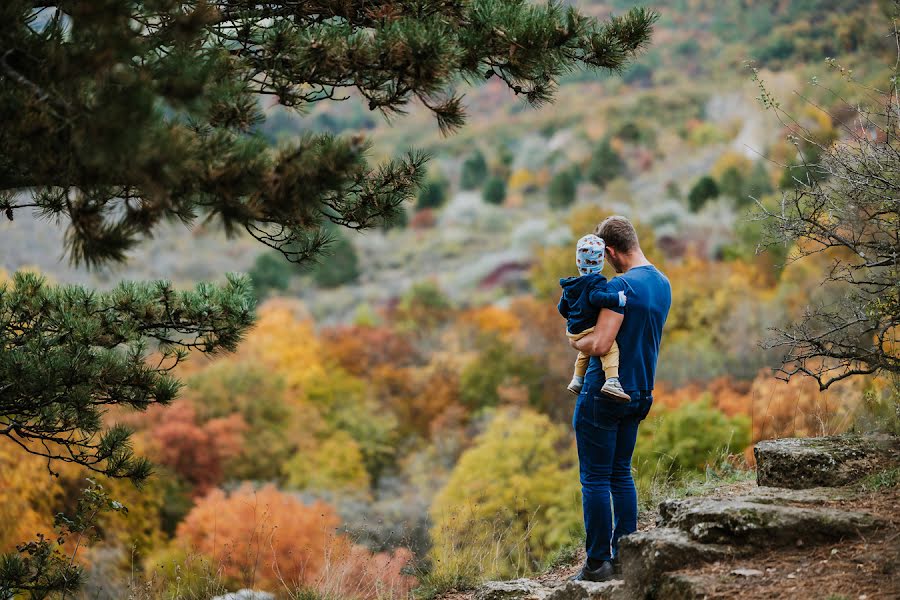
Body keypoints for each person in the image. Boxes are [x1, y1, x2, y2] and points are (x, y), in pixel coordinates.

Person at [567, 216, 671, 582]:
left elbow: (599, 343)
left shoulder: (620, 286)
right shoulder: (662, 283)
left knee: (594, 478)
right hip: (642, 390)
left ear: (609, 251)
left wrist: (574, 340)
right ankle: (628, 554)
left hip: (605, 392)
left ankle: (598, 564)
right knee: (620, 474)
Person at [557, 234, 629, 400]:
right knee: (611, 348)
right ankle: (612, 381)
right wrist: (617, 298)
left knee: (584, 352)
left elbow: (562, 308)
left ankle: (577, 379)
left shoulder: (571, 285)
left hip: (573, 329)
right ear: (601, 261)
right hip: (587, 328)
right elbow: (596, 298)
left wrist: (574, 318)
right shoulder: (596, 281)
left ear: (578, 261)